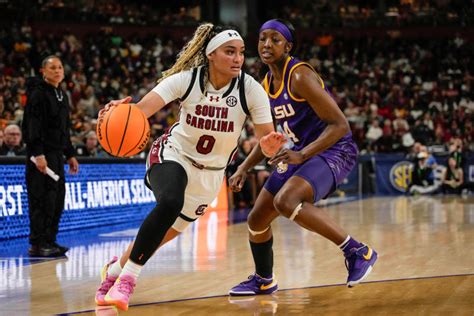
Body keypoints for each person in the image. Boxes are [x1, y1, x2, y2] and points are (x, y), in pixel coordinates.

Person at [95, 23, 286, 311]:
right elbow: (142, 110)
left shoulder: (251, 90)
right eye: (229, 52)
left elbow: (265, 138)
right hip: (174, 154)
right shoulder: (186, 80)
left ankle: (113, 270)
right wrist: (121, 113)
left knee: (159, 237)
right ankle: (128, 281)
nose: (238, 59)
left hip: (209, 177)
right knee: (170, 200)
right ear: (211, 54)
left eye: (241, 53)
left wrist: (270, 148)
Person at [227, 19, 378, 296]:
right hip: (298, 153)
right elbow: (269, 137)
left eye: (275, 39)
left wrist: (302, 154)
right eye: (262, 39)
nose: (267, 45)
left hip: (333, 149)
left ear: (288, 46)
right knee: (256, 220)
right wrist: (244, 168)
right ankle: (263, 279)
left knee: (286, 201)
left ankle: (358, 252)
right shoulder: (265, 84)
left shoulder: (299, 75)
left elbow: (340, 125)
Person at [22, 55, 79, 257]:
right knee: (41, 200)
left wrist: (70, 154)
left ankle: (50, 240)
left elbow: (64, 129)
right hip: (41, 157)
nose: (57, 71)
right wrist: (38, 154)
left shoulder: (61, 94)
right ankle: (38, 243)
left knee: (56, 200)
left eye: (60, 67)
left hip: (56, 156)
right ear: (43, 71)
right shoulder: (38, 94)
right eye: (52, 67)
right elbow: (32, 126)